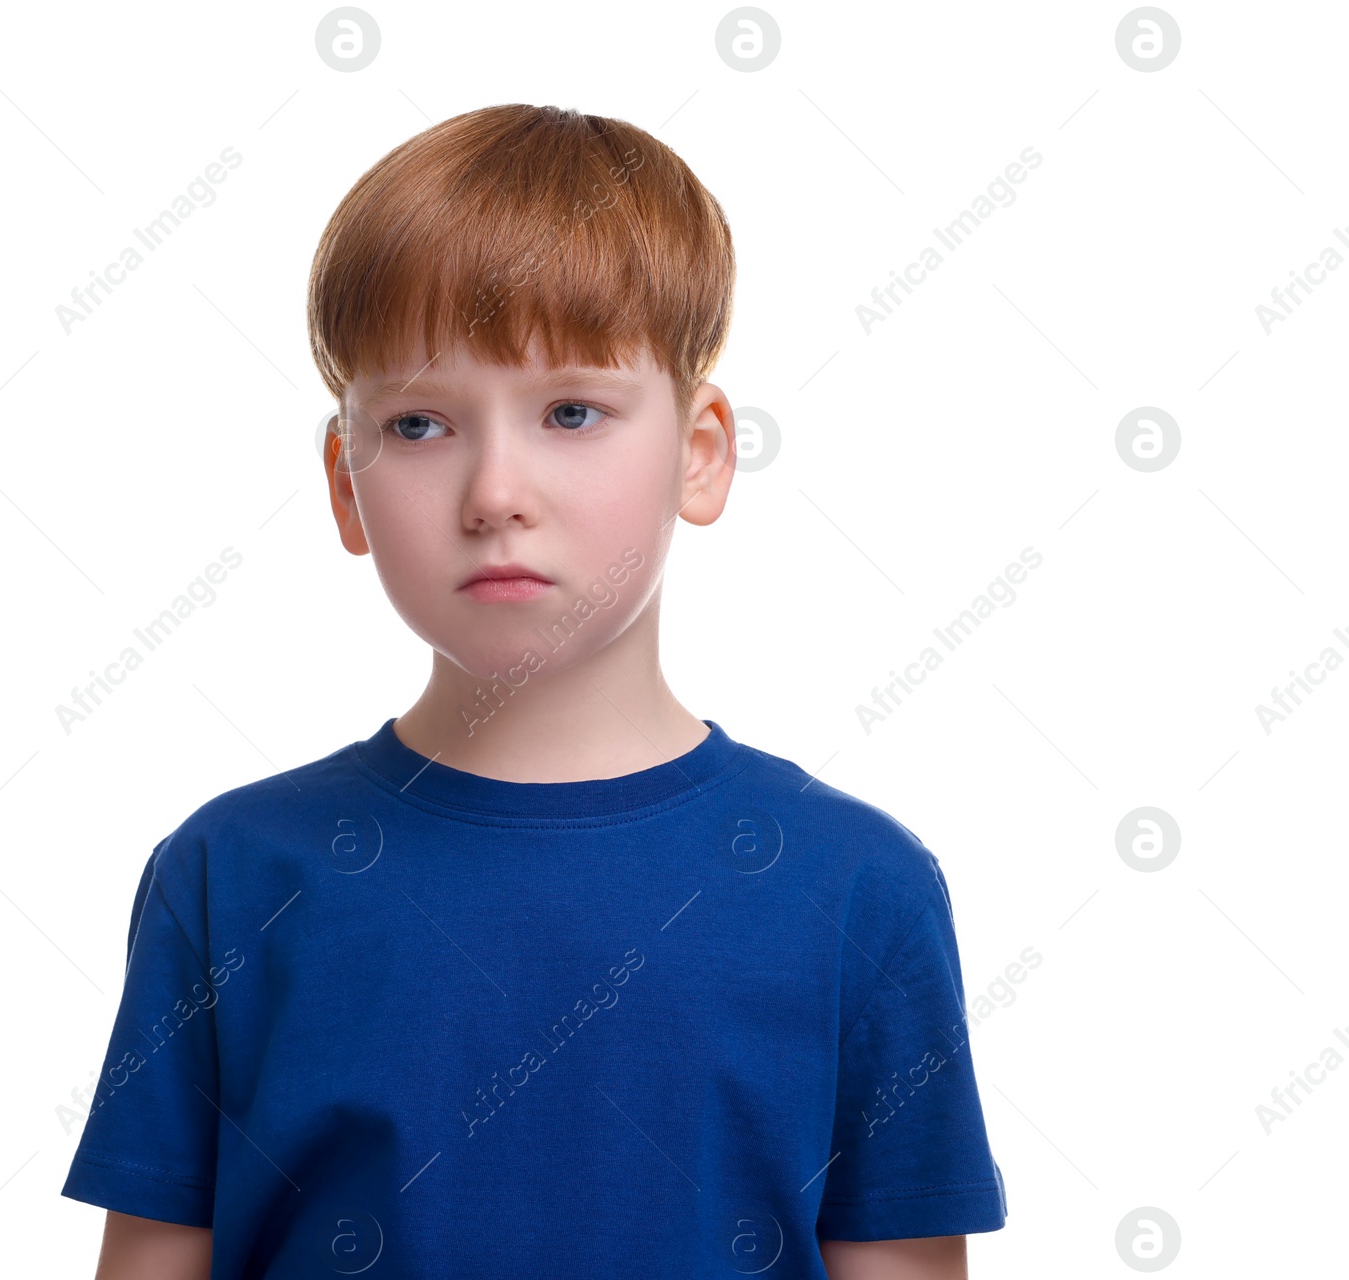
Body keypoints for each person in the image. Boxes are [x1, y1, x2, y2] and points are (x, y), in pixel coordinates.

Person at [60, 102, 1007, 1280]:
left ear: (700, 452)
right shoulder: (231, 873)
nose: (495, 489)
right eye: (417, 422)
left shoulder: (859, 889)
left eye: (570, 411)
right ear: (346, 485)